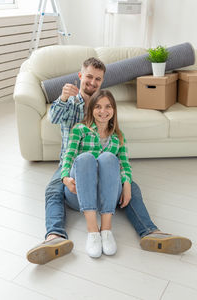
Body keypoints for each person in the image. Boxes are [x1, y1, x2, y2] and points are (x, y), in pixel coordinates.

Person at [27, 57, 192, 264]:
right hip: (72, 165)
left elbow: (120, 159)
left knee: (132, 187)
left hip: (104, 166)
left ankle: (150, 232)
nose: (92, 82)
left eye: (98, 79)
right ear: (80, 76)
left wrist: (126, 182)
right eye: (89, 77)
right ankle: (55, 237)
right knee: (53, 190)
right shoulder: (71, 105)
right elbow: (55, 118)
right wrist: (61, 98)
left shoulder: (108, 120)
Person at [62, 90, 132, 257]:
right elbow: (69, 156)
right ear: (91, 109)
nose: (103, 111)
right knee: (86, 158)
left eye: (108, 106)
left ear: (114, 110)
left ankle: (106, 230)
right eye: (98, 107)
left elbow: (124, 165)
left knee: (108, 158)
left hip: (107, 197)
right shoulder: (79, 130)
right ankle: (93, 231)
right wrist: (65, 177)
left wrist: (127, 183)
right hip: (78, 195)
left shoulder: (118, 137)